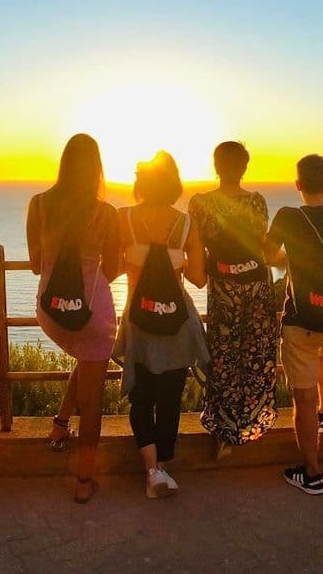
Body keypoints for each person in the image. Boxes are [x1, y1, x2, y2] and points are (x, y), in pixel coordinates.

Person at [27, 134, 120, 503]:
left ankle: (60, 424)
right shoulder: (107, 213)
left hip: (50, 310)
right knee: (93, 398)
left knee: (85, 358)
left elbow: (36, 265)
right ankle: (83, 480)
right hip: (93, 312)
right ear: (96, 168)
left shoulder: (38, 205)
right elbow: (113, 269)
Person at [114, 151, 209, 498]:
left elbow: (112, 267)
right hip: (176, 321)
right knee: (170, 397)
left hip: (139, 319)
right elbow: (198, 278)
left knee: (141, 396)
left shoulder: (124, 218)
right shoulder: (185, 224)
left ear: (141, 182)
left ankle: (151, 470)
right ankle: (162, 469)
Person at [264, 154, 323, 495]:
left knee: (303, 401)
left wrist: (290, 258)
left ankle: (312, 473)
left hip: (302, 322)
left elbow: (268, 255)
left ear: (298, 185)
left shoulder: (288, 216)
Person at [188, 141, 279, 458]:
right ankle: (250, 427)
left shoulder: (200, 204)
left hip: (225, 295)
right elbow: (264, 247)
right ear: (244, 168)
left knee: (224, 361)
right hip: (258, 290)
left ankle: (225, 435)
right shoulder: (257, 202)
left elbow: (198, 270)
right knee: (255, 360)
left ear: (216, 167)